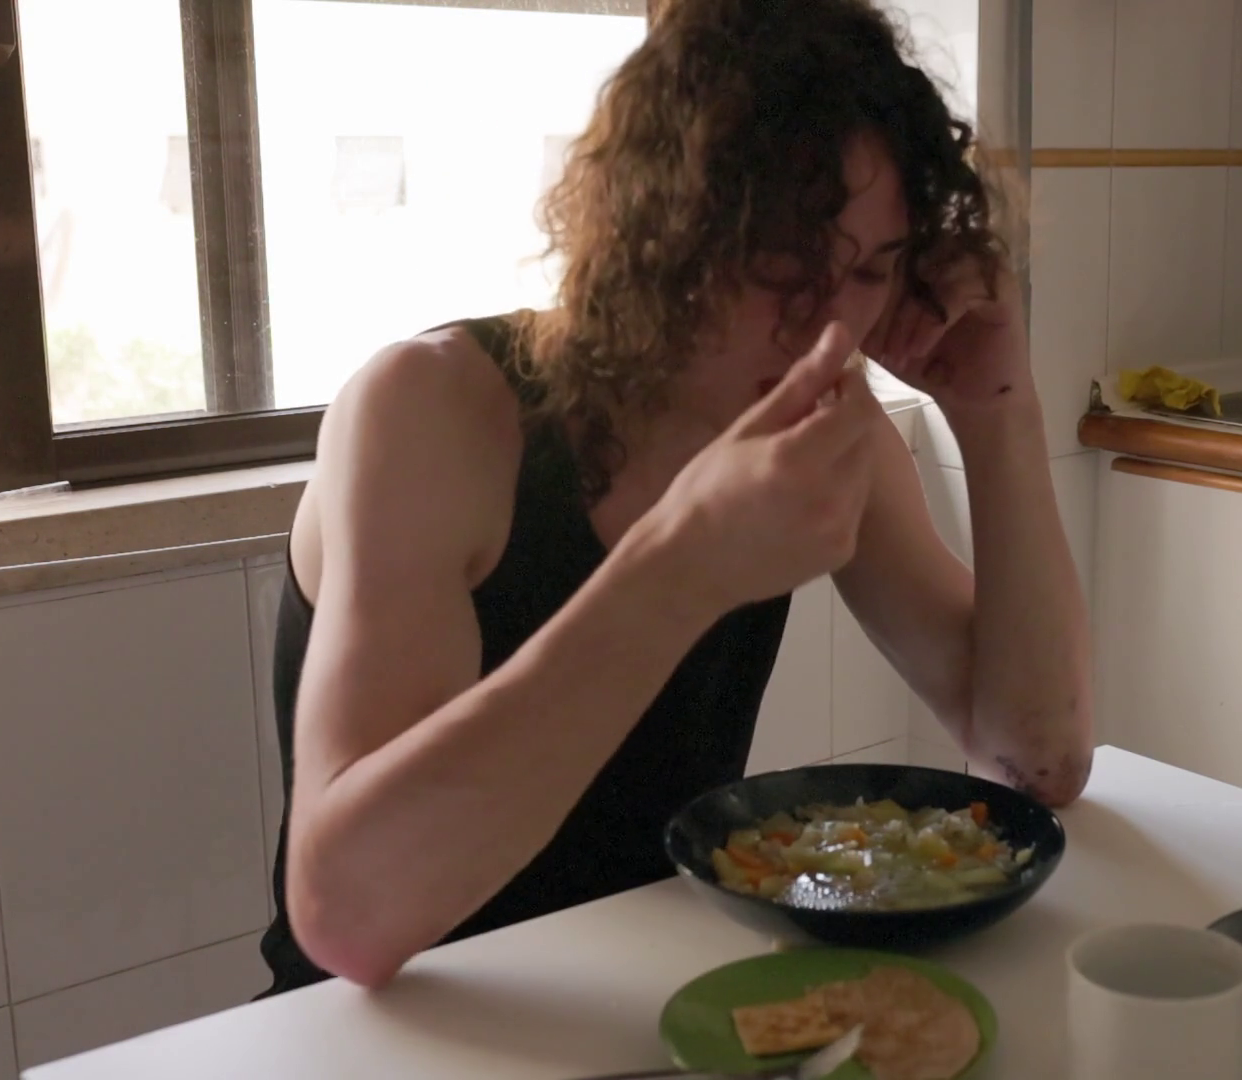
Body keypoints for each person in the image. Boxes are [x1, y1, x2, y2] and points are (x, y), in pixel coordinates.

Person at [257, 0, 1092, 996]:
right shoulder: (430, 412)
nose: (829, 329)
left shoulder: (835, 430)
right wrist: (681, 569)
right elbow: (349, 921)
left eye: (871, 270)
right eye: (782, 268)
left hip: (637, 997)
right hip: (377, 1027)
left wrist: (999, 416)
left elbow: (1036, 763)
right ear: (655, 234)